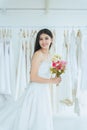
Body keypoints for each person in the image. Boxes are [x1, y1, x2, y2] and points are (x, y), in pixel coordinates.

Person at [0, 28, 61, 130]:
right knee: (33, 116)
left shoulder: (51, 56)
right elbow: (33, 77)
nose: (44, 41)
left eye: (46, 38)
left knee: (42, 115)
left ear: (52, 39)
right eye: (41, 39)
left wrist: (56, 79)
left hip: (44, 91)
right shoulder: (38, 54)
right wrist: (51, 81)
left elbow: (45, 75)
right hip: (35, 91)